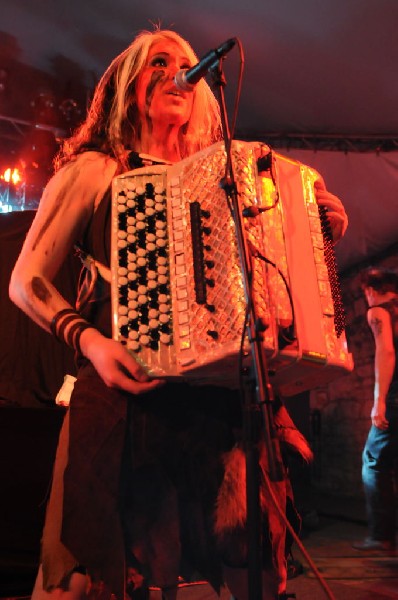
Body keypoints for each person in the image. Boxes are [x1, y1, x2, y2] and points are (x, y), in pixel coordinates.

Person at [9, 27, 348, 600]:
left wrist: (311, 231)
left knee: (257, 568)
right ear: (125, 86)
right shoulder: (98, 168)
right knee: (92, 576)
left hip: (219, 402)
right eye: (157, 62)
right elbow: (27, 280)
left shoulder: (223, 179)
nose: (177, 71)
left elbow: (261, 284)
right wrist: (91, 341)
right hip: (126, 398)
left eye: (185, 63)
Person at [352, 267, 398, 553]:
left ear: (370, 289)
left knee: (373, 462)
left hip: (395, 399)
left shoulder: (378, 312)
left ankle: (381, 536)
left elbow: (387, 351)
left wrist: (379, 400)